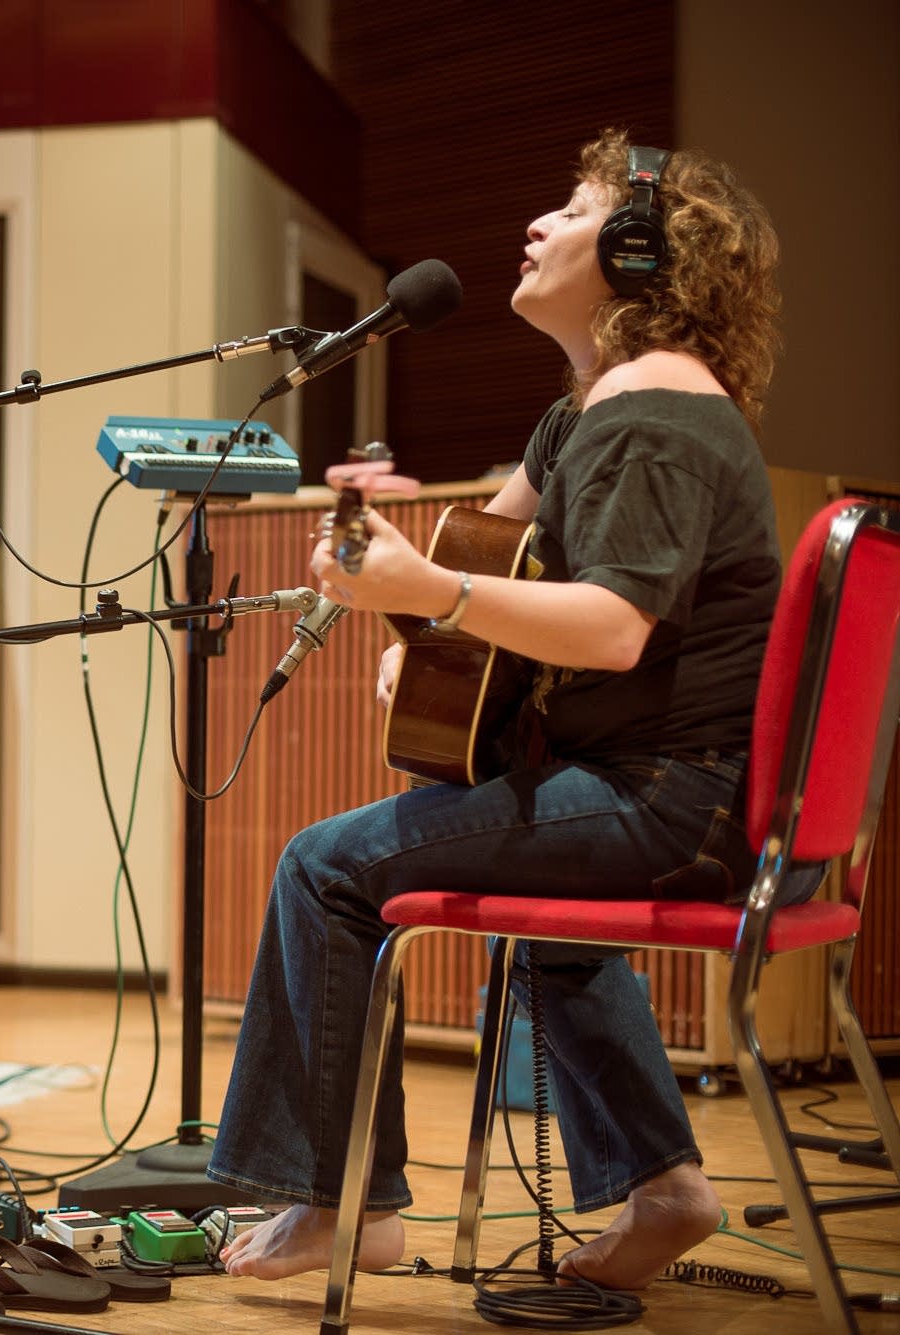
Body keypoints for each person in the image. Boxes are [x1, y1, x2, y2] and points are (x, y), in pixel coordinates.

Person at [207, 130, 818, 1290]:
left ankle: (347, 1207)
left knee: (321, 869)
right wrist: (412, 617)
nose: (533, 226)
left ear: (640, 255)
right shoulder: (582, 413)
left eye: (573, 210)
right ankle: (667, 1188)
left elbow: (609, 625)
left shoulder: (655, 416)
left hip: (671, 799)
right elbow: (473, 553)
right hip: (662, 790)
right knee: (533, 909)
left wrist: (427, 594)